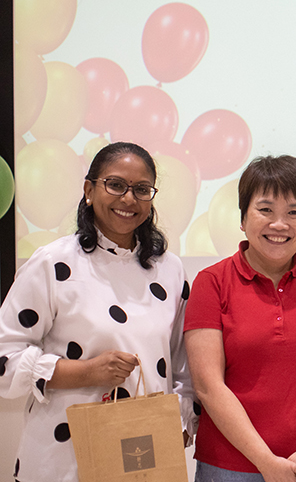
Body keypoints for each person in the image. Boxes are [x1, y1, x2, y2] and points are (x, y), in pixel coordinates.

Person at [0, 141, 196, 482]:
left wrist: (180, 422)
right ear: (89, 191)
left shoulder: (170, 269)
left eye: (142, 189)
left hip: (143, 457)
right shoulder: (53, 263)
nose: (129, 199)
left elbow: (184, 367)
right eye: (115, 185)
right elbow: (5, 357)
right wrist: (86, 372)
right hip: (61, 457)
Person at [185, 155, 296, 482]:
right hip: (231, 468)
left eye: (294, 212)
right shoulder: (211, 283)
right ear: (242, 218)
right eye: (265, 209)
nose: (279, 224)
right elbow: (208, 386)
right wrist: (266, 462)